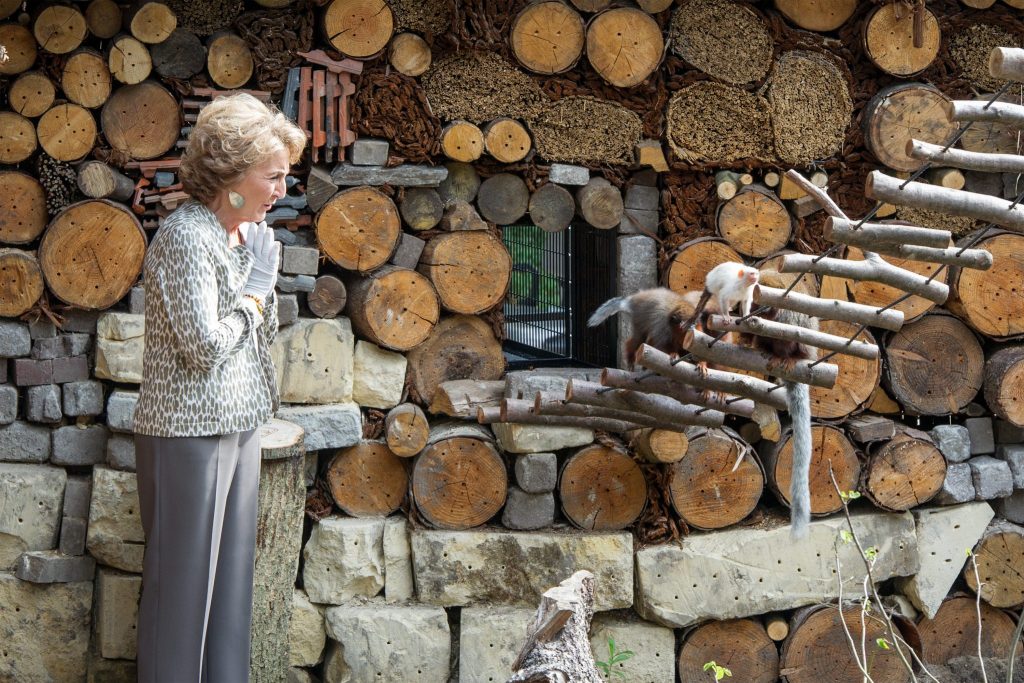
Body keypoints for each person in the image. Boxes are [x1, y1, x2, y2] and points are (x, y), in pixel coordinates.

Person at [132, 93, 306, 683]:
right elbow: (203, 348)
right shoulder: (188, 237)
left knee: (229, 596)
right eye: (273, 175)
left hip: (239, 425)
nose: (282, 188)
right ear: (232, 175)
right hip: (189, 434)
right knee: (181, 602)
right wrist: (257, 292)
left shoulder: (239, 237)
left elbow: (259, 335)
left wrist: (259, 287)